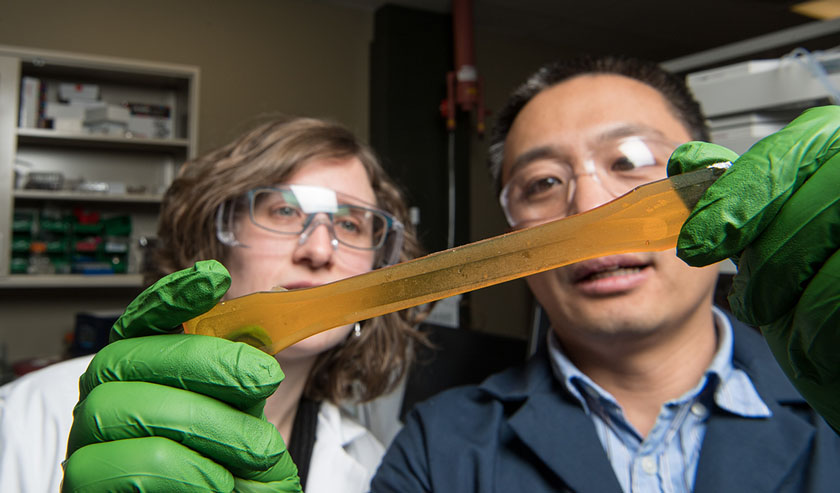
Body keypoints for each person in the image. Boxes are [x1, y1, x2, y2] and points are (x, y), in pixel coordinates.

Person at [371, 55, 840, 492]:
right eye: (543, 183)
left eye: (628, 162)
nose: (590, 209)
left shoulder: (830, 392)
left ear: (713, 181)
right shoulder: (435, 451)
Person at [0, 116, 426, 492]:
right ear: (216, 236)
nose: (318, 249)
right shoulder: (29, 415)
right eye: (283, 212)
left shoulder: (374, 465)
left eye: (349, 224)